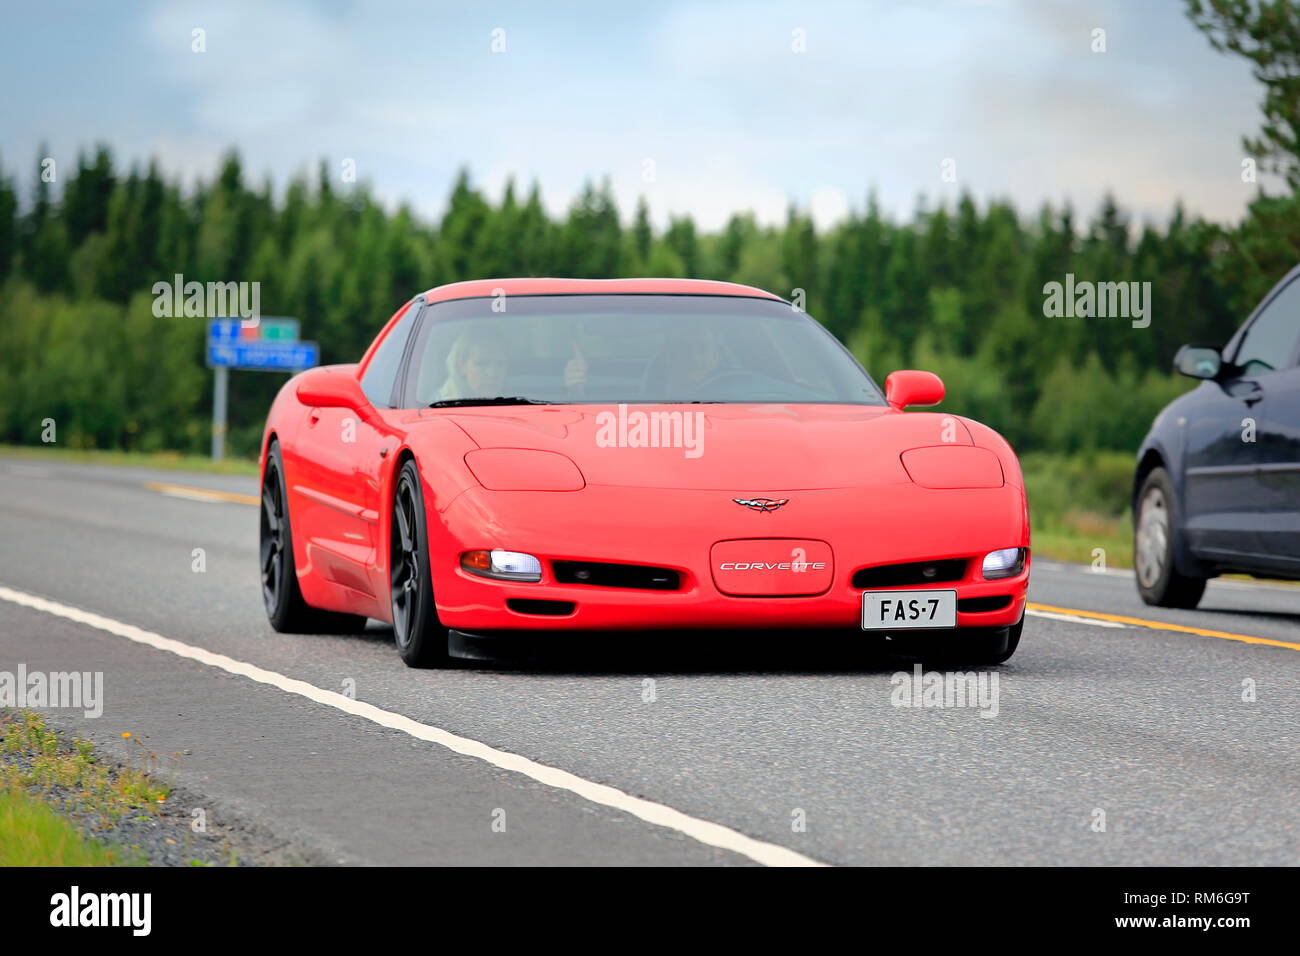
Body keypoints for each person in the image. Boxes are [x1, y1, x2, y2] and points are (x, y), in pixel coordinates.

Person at [437, 326, 508, 400]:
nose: (492, 374)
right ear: (461, 366)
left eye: (500, 364)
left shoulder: (518, 396)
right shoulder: (441, 405)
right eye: (481, 364)